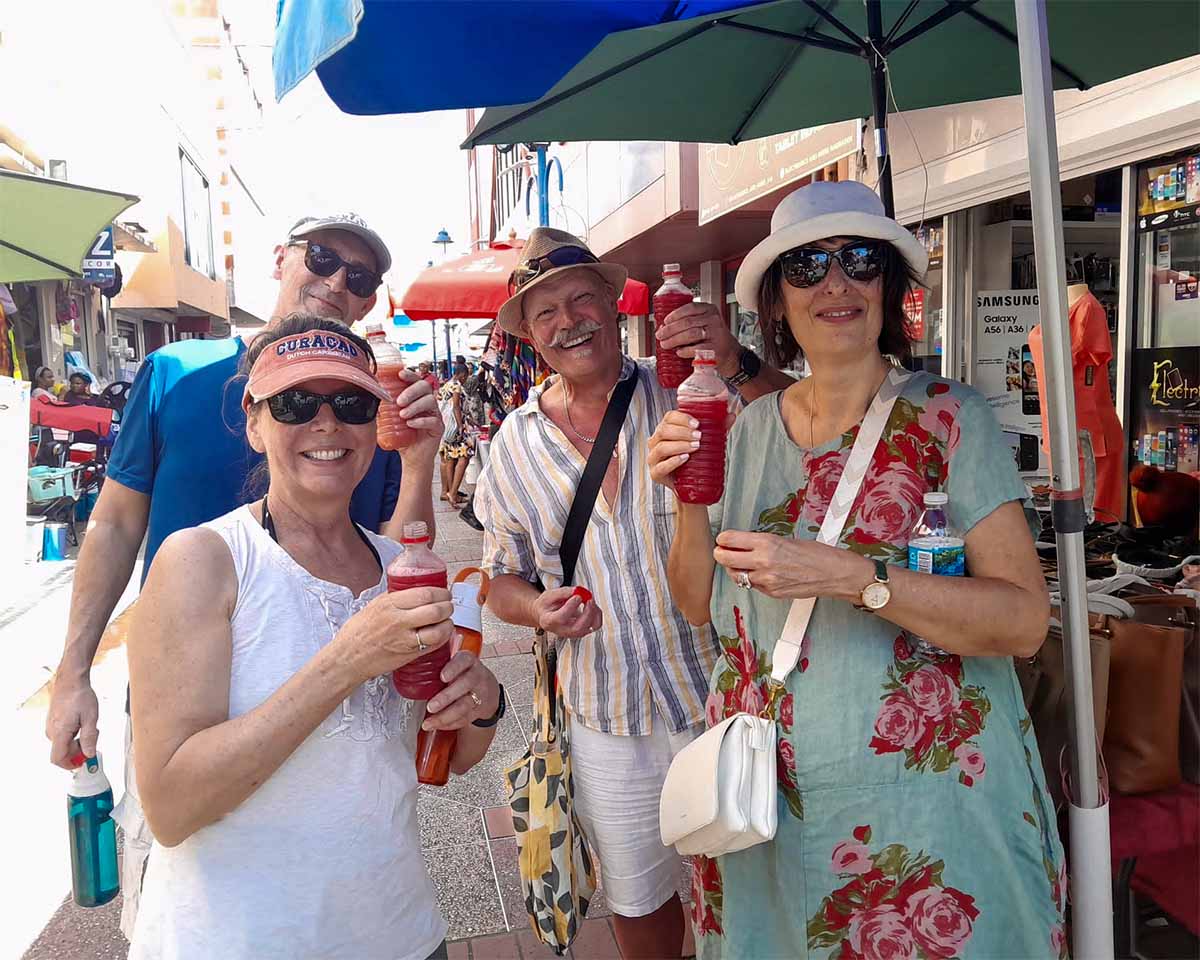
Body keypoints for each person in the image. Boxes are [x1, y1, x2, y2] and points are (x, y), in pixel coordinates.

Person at [648, 181, 1063, 958]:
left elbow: (1022, 621)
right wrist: (688, 502)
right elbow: (698, 603)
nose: (835, 283)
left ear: (890, 289)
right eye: (806, 266)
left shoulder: (951, 417)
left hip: (924, 808)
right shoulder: (745, 430)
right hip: (766, 797)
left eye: (860, 261)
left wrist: (852, 577)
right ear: (776, 302)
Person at [45, 212, 443, 936]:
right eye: (322, 258)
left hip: (369, 860)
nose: (334, 282)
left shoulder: (368, 412)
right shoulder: (177, 372)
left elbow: (396, 551)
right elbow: (113, 521)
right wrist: (73, 673)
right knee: (187, 875)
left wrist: (417, 460)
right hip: (183, 689)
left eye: (359, 276)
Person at [126, 315, 503, 959]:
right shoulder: (205, 560)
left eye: (352, 403)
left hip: (399, 933)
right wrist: (346, 662)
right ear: (254, 423)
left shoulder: (397, 566)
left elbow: (444, 754)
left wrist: (483, 703)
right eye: (296, 403)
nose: (327, 424)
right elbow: (171, 805)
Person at [474, 226, 788, 960]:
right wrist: (536, 608)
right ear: (527, 334)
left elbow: (799, 425)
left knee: (755, 884)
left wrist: (736, 361)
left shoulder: (690, 390)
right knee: (640, 901)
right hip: (605, 714)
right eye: (544, 311)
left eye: (583, 297)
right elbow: (498, 577)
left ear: (616, 306)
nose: (568, 320)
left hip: (722, 695)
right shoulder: (514, 444)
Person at [437, 362, 472, 507]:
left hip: (445, 427)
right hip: (454, 428)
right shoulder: (456, 386)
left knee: (450, 458)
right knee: (465, 456)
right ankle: (453, 492)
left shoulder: (446, 385)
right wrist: (460, 426)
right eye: (466, 376)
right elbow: (456, 407)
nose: (466, 379)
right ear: (462, 375)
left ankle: (450, 492)